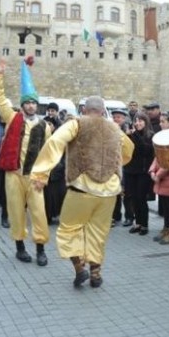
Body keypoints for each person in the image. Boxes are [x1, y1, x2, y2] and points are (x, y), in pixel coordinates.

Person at [30, 96, 134, 288]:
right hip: (109, 191)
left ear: (84, 110)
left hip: (82, 188)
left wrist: (40, 174)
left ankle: (80, 268)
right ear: (103, 111)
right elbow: (128, 149)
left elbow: (55, 142)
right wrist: (114, 167)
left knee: (69, 229)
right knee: (98, 232)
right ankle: (96, 273)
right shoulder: (114, 128)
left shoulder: (76, 124)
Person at [0, 57, 52, 267]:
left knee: (39, 213)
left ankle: (40, 249)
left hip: (34, 178)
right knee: (15, 212)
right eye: (28, 102)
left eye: (34, 102)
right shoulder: (12, 117)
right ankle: (20, 248)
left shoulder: (45, 126)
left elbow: (49, 155)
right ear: (23, 104)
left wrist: (44, 176)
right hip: (13, 174)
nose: (31, 106)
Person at [149, 111, 169, 245]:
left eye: (163, 121)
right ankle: (166, 229)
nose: (161, 124)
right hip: (163, 179)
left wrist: (158, 175)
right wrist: (152, 171)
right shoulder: (162, 136)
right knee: (166, 207)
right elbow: (157, 157)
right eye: (160, 121)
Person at [123, 111, 155, 235]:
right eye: (135, 120)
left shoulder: (150, 135)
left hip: (143, 172)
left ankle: (144, 224)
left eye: (140, 120)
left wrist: (134, 135)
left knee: (141, 198)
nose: (137, 123)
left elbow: (145, 150)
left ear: (145, 122)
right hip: (131, 171)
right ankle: (137, 222)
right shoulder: (130, 135)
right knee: (133, 198)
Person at [110, 109, 131, 227]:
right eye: (115, 117)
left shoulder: (128, 131)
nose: (116, 119)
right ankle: (114, 215)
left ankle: (128, 216)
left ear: (124, 119)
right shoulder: (110, 129)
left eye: (119, 117)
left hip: (126, 165)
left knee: (126, 193)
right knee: (114, 192)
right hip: (114, 165)